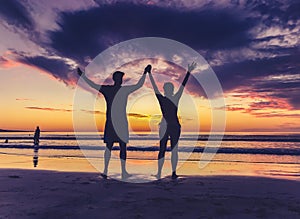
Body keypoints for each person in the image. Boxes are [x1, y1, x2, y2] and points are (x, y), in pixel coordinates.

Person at [77, 65, 151, 179]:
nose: (120, 80)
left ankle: (120, 171)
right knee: (110, 147)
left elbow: (138, 85)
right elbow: (93, 85)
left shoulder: (117, 89)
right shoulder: (111, 89)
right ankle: (107, 170)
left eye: (121, 78)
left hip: (119, 122)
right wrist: (83, 77)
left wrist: (145, 73)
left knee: (120, 147)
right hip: (113, 122)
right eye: (119, 78)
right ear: (115, 79)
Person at [148, 62, 197, 179]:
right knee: (167, 149)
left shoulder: (167, 99)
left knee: (164, 149)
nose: (168, 90)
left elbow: (156, 87)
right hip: (170, 126)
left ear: (166, 90)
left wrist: (149, 74)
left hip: (170, 126)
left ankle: (165, 172)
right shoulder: (172, 98)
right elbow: (181, 86)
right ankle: (169, 172)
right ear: (168, 90)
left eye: (168, 89)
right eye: (168, 89)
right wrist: (188, 73)